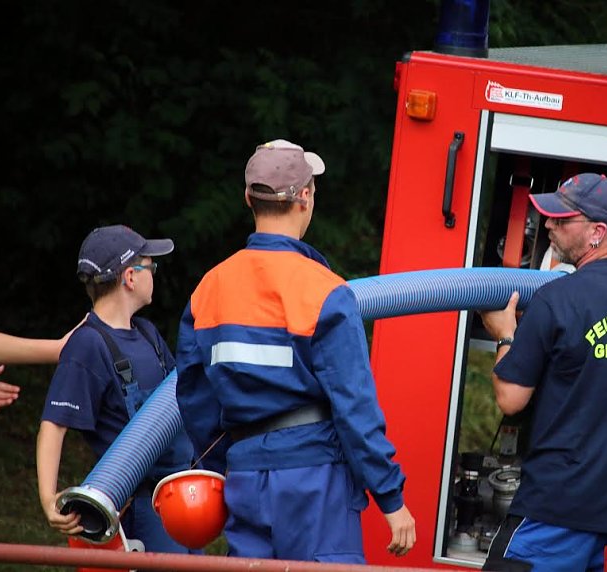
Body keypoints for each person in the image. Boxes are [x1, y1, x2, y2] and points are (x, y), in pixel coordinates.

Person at [176, 139, 416, 563]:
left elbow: (194, 397)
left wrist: (220, 467)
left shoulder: (208, 289)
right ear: (305, 197)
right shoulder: (325, 290)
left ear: (248, 198)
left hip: (245, 477)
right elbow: (354, 406)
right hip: (314, 478)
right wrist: (390, 498)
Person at [479, 173, 607, 572]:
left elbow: (511, 399)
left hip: (559, 512)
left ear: (597, 231)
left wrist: (506, 335)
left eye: (562, 219)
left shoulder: (556, 299)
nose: (550, 226)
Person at [36, 225, 197, 554]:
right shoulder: (87, 344)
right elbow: (54, 424)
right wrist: (48, 498)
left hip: (179, 496)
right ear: (130, 277)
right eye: (152, 267)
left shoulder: (148, 334)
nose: (155, 275)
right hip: (139, 507)